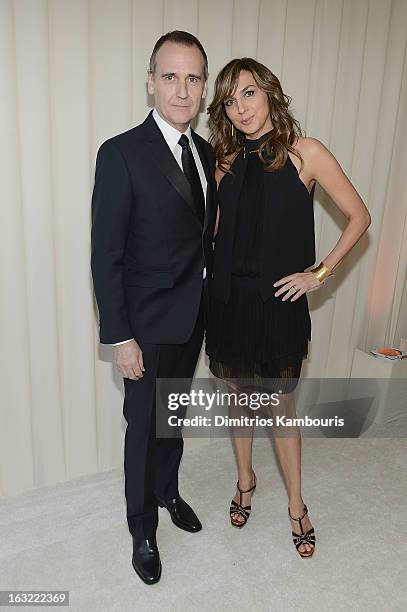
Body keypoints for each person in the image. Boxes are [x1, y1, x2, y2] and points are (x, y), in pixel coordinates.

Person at [205, 57, 371, 558]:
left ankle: (297, 505)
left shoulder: (307, 154)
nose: (241, 108)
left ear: (270, 93)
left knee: (280, 407)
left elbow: (360, 216)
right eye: (231, 100)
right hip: (230, 302)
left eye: (249, 94)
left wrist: (318, 274)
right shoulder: (224, 161)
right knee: (237, 397)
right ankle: (245, 481)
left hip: (278, 304)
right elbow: (214, 235)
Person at [91, 31, 217, 584]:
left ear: (204, 87)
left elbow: (202, 238)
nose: (182, 90)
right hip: (143, 327)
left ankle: (168, 492)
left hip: (191, 320)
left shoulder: (207, 152)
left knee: (173, 419)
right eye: (171, 76)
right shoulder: (120, 153)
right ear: (151, 82)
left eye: (193, 78)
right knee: (142, 429)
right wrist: (120, 337)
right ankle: (142, 527)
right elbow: (105, 254)